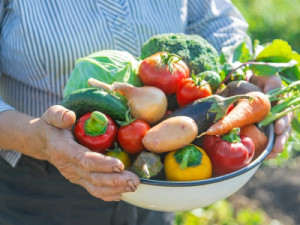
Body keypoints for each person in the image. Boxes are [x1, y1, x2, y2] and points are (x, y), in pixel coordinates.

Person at [0, 1, 292, 224]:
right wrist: (37, 137)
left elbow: (215, 19)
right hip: (43, 186)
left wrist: (250, 75)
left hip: (163, 174)